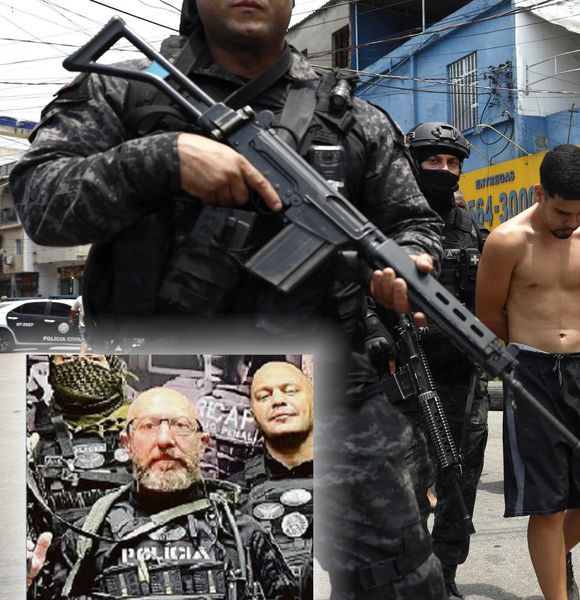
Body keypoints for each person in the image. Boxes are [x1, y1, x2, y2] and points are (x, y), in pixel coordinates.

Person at [11, 1, 446, 597]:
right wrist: (162, 159)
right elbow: (38, 201)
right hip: (150, 388)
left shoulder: (352, 118)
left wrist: (410, 264)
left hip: (333, 395)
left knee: (399, 578)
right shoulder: (125, 93)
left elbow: (413, 223)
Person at [475, 144, 580, 600]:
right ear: (539, 192)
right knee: (548, 505)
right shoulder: (506, 240)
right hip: (530, 371)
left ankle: (553, 557)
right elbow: (488, 314)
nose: (571, 222)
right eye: (562, 211)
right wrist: (529, 344)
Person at [26, 387, 298, 599]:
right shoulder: (87, 538)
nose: (165, 440)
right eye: (148, 426)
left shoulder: (244, 534)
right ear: (127, 443)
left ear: (203, 444)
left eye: (181, 425)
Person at [395, 121, 491, 599]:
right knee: (407, 490)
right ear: (412, 165)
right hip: (406, 379)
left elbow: (489, 300)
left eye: (453, 163)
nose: (445, 170)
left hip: (461, 379)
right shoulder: (388, 226)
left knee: (460, 484)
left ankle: (445, 575)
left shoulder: (472, 228)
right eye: (434, 160)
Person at [27, 355, 134, 539]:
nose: (82, 365)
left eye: (94, 359)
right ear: (52, 368)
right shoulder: (28, 427)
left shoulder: (145, 423)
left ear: (113, 367)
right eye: (68, 359)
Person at [233, 360, 315, 598]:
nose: (278, 400)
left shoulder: (357, 479)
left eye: (290, 390)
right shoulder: (231, 494)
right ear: (253, 414)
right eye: (263, 396)